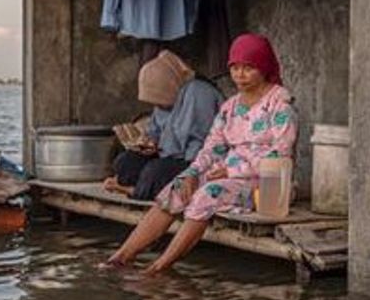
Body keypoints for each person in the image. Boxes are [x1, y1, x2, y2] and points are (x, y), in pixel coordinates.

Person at [104, 33, 298, 274]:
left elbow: (279, 155)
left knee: (207, 193)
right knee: (178, 187)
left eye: (248, 68)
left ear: (264, 67)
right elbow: (212, 147)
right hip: (226, 176)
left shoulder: (280, 107)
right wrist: (193, 172)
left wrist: (231, 170)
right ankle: (122, 256)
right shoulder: (231, 107)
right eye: (235, 68)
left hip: (266, 186)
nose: (240, 74)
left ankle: (158, 268)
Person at [102, 50, 222, 201]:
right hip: (167, 157)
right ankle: (142, 186)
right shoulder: (164, 101)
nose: (157, 105)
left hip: (196, 161)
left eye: (159, 100)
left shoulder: (198, 93)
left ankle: (134, 190)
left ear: (169, 85)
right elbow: (155, 131)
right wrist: (149, 143)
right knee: (125, 162)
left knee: (155, 172)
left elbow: (201, 142)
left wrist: (190, 169)